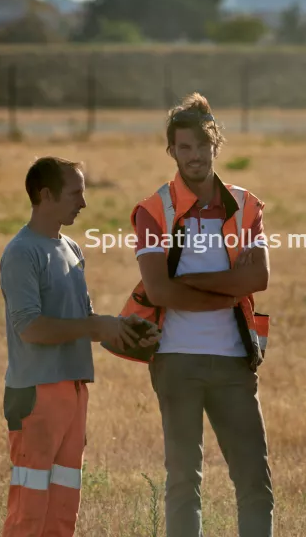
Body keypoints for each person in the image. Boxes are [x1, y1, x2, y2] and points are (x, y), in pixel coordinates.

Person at [113, 92, 274, 537]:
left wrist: (185, 285)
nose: (195, 156)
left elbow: (257, 278)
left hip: (234, 360)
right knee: (185, 481)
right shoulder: (152, 210)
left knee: (255, 482)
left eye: (202, 146)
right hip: (175, 360)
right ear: (172, 151)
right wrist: (225, 284)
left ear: (216, 145)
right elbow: (159, 290)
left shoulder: (247, 205)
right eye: (185, 148)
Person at [0, 156, 160, 537]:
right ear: (45, 194)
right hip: (37, 392)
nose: (83, 203)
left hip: (73, 390)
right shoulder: (22, 252)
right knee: (29, 506)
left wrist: (122, 328)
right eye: (75, 193)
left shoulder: (70, 247)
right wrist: (95, 325)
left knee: (63, 504)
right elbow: (31, 328)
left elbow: (83, 320)